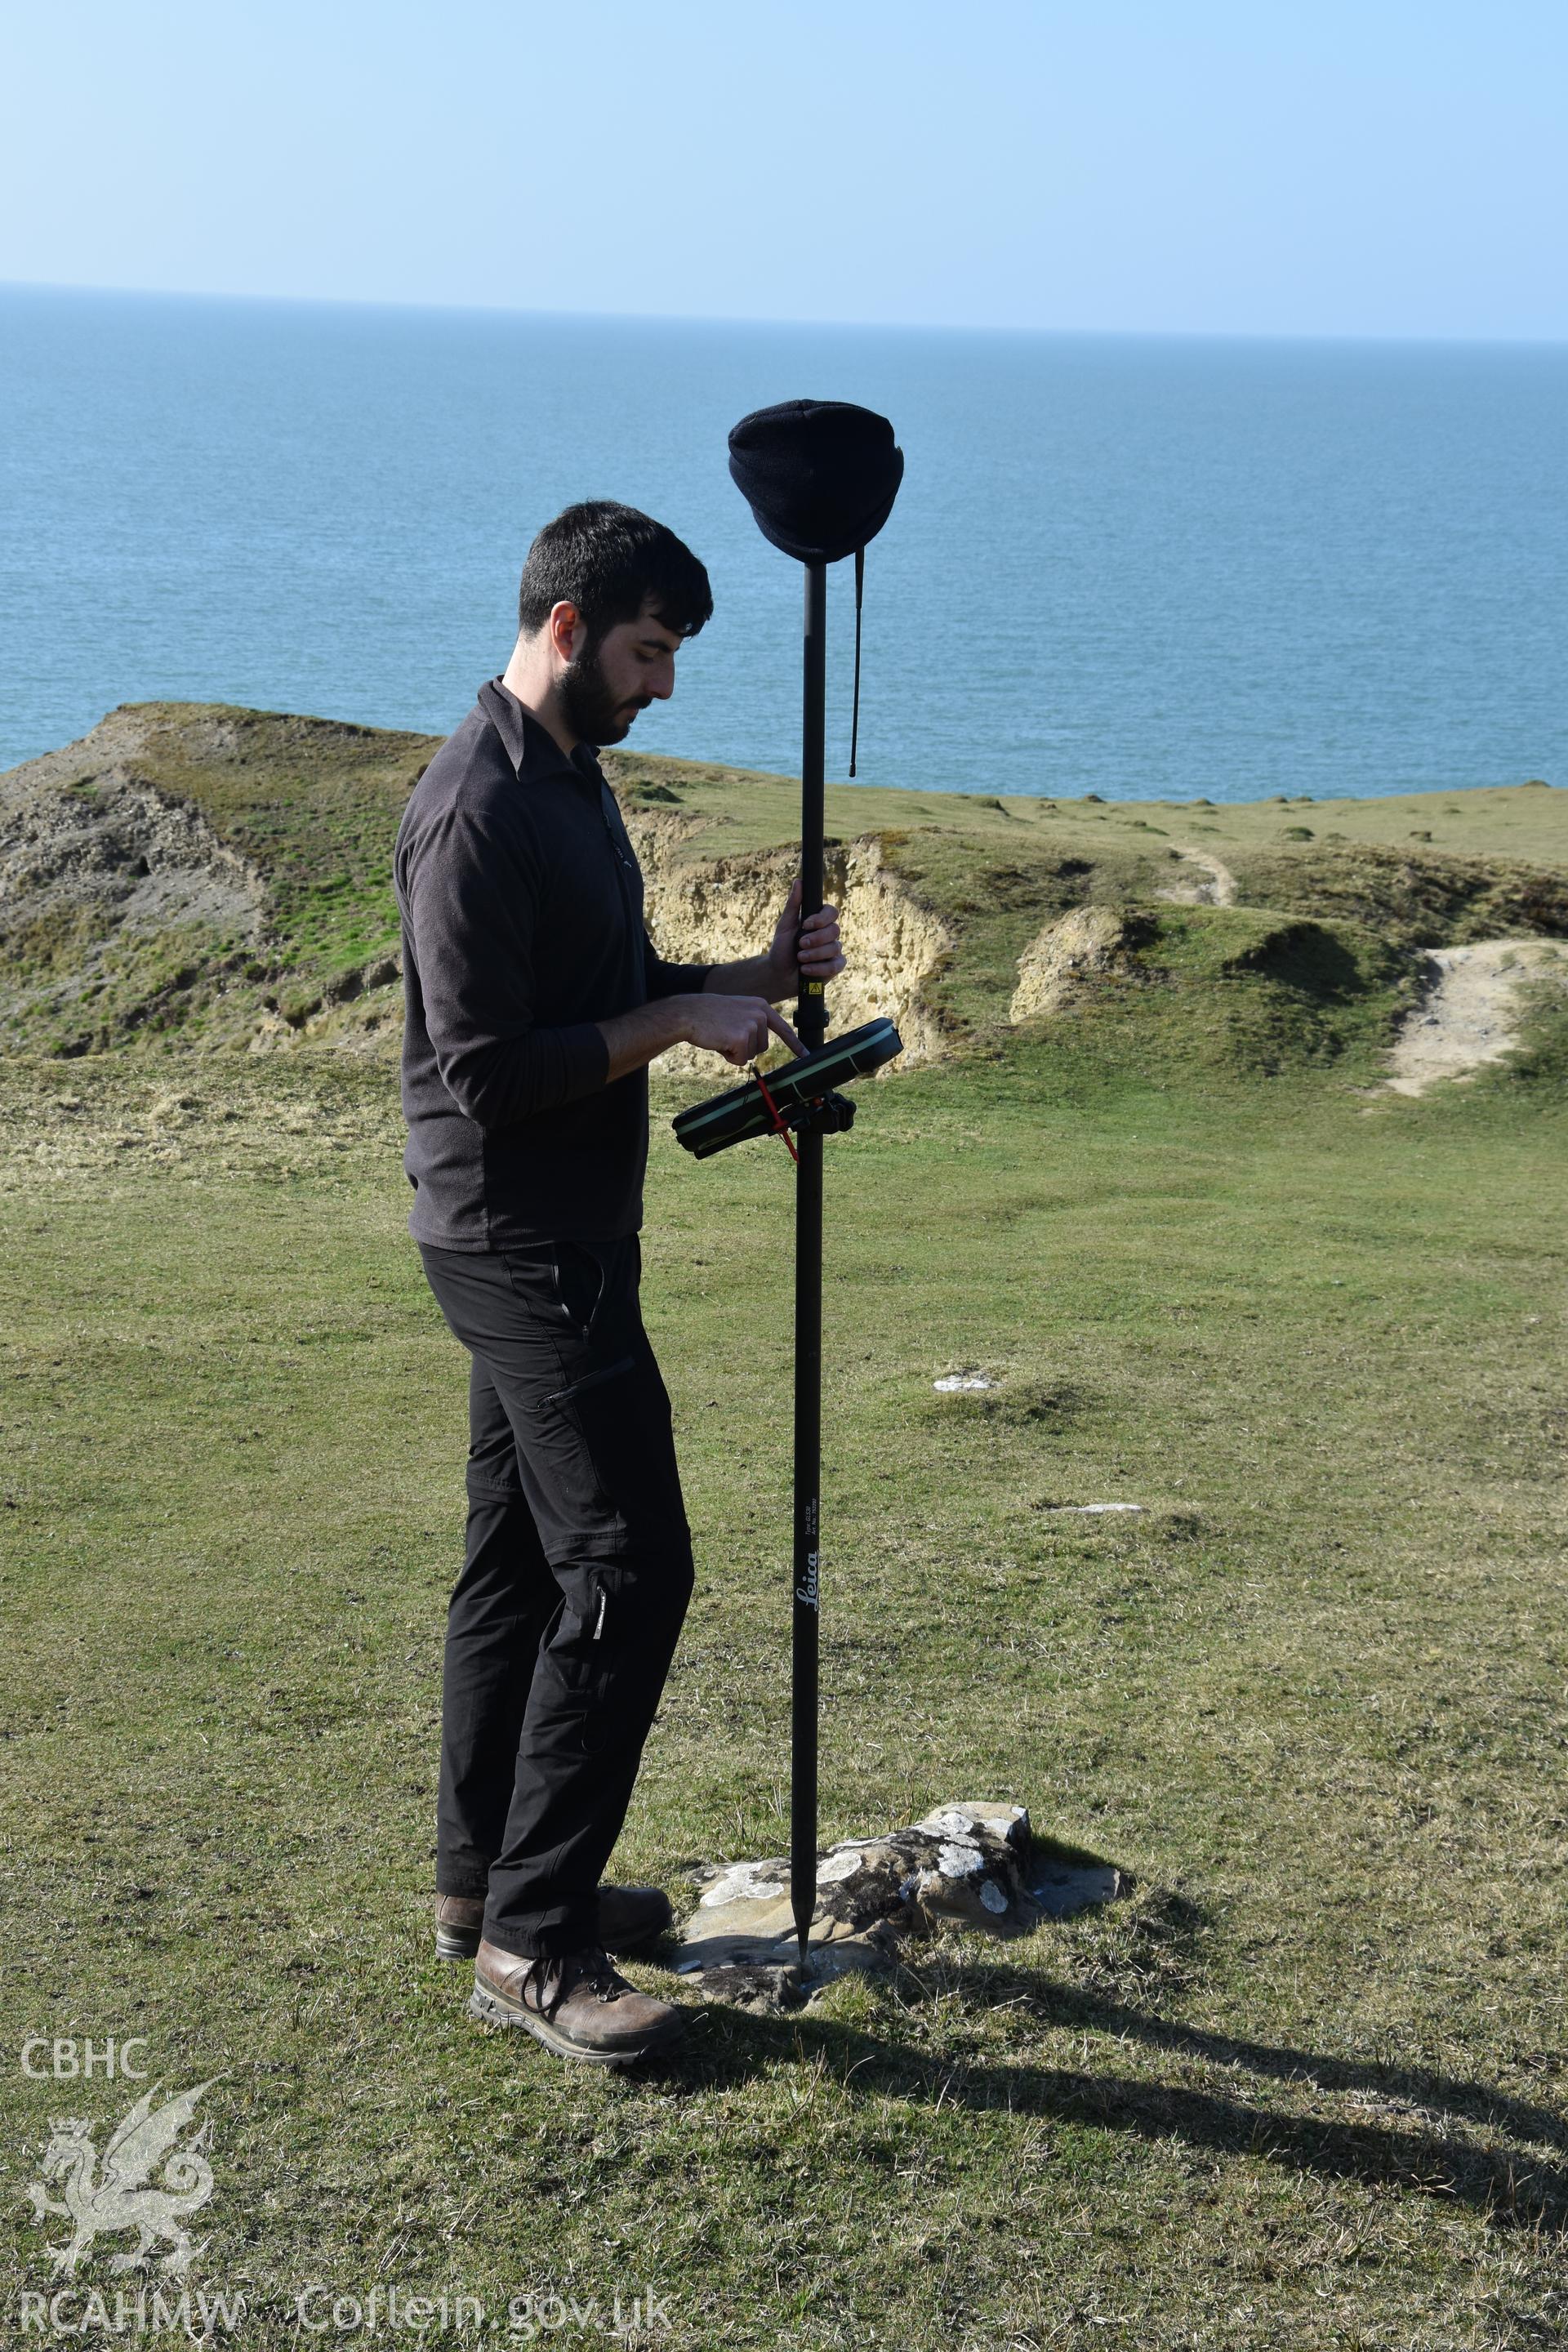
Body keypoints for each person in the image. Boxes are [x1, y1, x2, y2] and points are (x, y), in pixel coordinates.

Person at [393, 501, 845, 2065]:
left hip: (573, 1229)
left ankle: (482, 1885)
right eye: (651, 651)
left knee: (516, 1563)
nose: (665, 685)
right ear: (571, 628)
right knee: (629, 1568)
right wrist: (674, 1033)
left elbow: (605, 992)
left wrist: (748, 983)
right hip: (519, 1241)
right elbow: (489, 1073)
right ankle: (534, 1943)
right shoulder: (474, 813)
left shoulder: (573, 785)